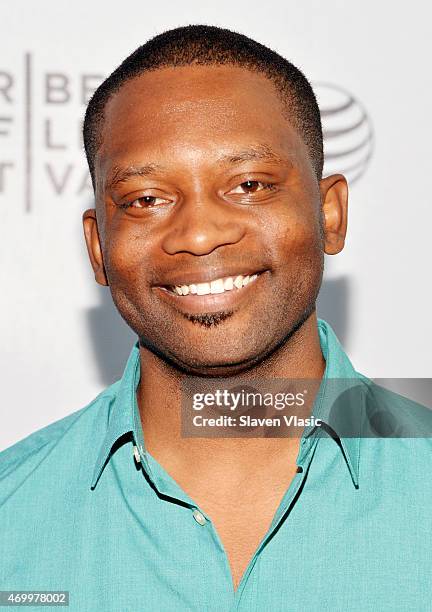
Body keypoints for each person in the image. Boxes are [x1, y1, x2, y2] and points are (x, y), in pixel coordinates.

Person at [1, 25, 431, 612]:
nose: (200, 234)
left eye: (249, 185)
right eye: (146, 199)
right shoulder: (11, 514)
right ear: (98, 248)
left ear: (329, 215)